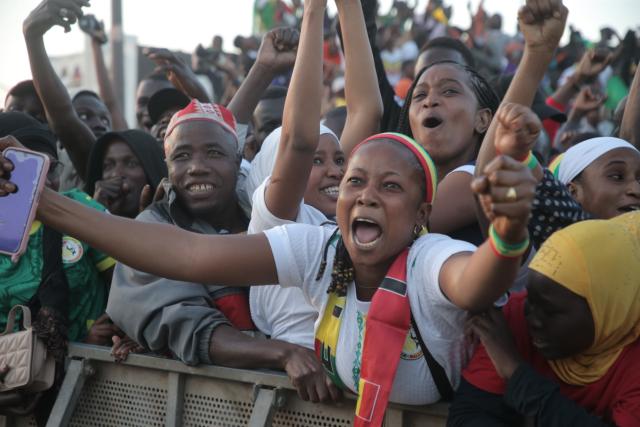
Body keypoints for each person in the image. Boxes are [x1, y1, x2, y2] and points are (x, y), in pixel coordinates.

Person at [0, 97, 537, 425]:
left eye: (390, 186)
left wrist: (508, 232)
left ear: (422, 214)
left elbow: (473, 284)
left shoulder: (430, 260)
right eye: (355, 181)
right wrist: (42, 202)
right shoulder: (322, 250)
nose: (367, 196)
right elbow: (187, 254)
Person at [106, 100, 338, 403]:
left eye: (214, 153)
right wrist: (284, 353)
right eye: (182, 156)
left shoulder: (267, 215)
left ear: (239, 160)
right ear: (168, 165)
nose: (197, 167)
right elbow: (190, 327)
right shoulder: (153, 227)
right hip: (199, 407)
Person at [247, 0, 379, 349]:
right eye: (316, 162)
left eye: (339, 160)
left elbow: (367, 110)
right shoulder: (275, 220)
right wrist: (314, 10)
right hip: (295, 392)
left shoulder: (343, 216)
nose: (336, 171)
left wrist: (348, 6)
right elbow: (299, 140)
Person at [449, 211, 640, 426]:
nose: (534, 319)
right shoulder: (515, 320)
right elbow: (469, 416)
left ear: (608, 310)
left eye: (552, 312)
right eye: (531, 299)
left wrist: (516, 373)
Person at [0, 113, 114, 345]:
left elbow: (124, 283)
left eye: (51, 169)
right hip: (11, 371)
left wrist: (103, 333)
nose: (47, 182)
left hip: (90, 366)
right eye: (32, 171)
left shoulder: (79, 209)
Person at [84, 130, 167, 219]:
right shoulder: (77, 227)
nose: (116, 174)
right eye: (108, 165)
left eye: (131, 164)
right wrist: (98, 213)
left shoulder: (177, 223)